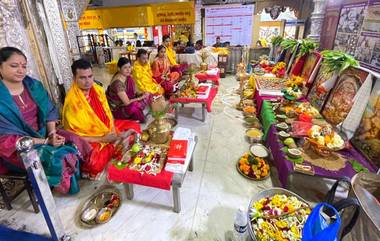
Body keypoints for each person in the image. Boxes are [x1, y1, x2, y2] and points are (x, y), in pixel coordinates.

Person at [0, 47, 91, 194]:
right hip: (17, 148)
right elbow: (6, 140)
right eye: (14, 66)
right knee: (57, 156)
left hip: (43, 133)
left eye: (24, 66)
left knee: (74, 139)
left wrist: (52, 134)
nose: (21, 70)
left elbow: (49, 111)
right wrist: (46, 142)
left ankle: (75, 175)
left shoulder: (34, 86)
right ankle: (63, 186)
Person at [62, 59, 141, 178]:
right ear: (74, 79)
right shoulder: (72, 103)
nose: (88, 81)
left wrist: (113, 130)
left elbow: (108, 114)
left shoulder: (98, 90)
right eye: (82, 78)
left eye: (90, 76)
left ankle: (115, 142)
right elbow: (76, 137)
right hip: (92, 139)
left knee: (135, 126)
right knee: (95, 164)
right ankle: (116, 144)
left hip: (106, 130)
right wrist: (104, 139)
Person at [106, 57, 152, 123]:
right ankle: (137, 116)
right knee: (134, 106)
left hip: (128, 101)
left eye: (129, 67)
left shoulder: (128, 77)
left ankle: (138, 113)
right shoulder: (117, 84)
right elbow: (127, 102)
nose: (128, 70)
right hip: (119, 108)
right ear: (119, 69)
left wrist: (142, 94)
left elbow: (135, 91)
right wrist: (141, 97)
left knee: (148, 94)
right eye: (125, 67)